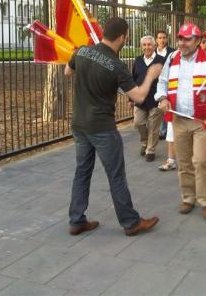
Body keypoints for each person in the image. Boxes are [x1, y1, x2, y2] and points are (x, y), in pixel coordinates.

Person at [65, 17, 161, 237]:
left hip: (79, 125)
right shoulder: (116, 66)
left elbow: (67, 73)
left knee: (82, 171)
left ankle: (76, 220)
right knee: (116, 175)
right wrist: (150, 76)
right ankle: (131, 222)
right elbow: (138, 95)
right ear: (121, 37)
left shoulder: (82, 52)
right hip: (102, 128)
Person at [155, 23, 206, 221]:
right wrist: (162, 98)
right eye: (180, 38)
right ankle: (188, 197)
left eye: (187, 39)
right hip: (178, 118)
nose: (182, 43)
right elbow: (162, 82)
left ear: (197, 41)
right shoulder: (172, 58)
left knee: (201, 161)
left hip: (202, 119)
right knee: (184, 162)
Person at [131, 35, 166, 162]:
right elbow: (133, 79)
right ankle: (145, 143)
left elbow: (166, 80)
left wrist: (164, 98)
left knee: (153, 127)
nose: (147, 47)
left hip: (156, 100)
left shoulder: (162, 60)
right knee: (138, 123)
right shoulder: (138, 60)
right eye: (144, 45)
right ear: (141, 46)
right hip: (140, 100)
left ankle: (150, 150)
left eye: (149, 44)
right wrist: (131, 99)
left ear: (154, 46)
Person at [155, 30, 175, 140]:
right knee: (158, 107)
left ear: (166, 39)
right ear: (156, 40)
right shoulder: (153, 52)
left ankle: (165, 130)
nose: (162, 40)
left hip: (168, 83)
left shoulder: (172, 53)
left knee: (167, 105)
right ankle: (161, 129)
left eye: (164, 37)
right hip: (155, 84)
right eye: (160, 38)